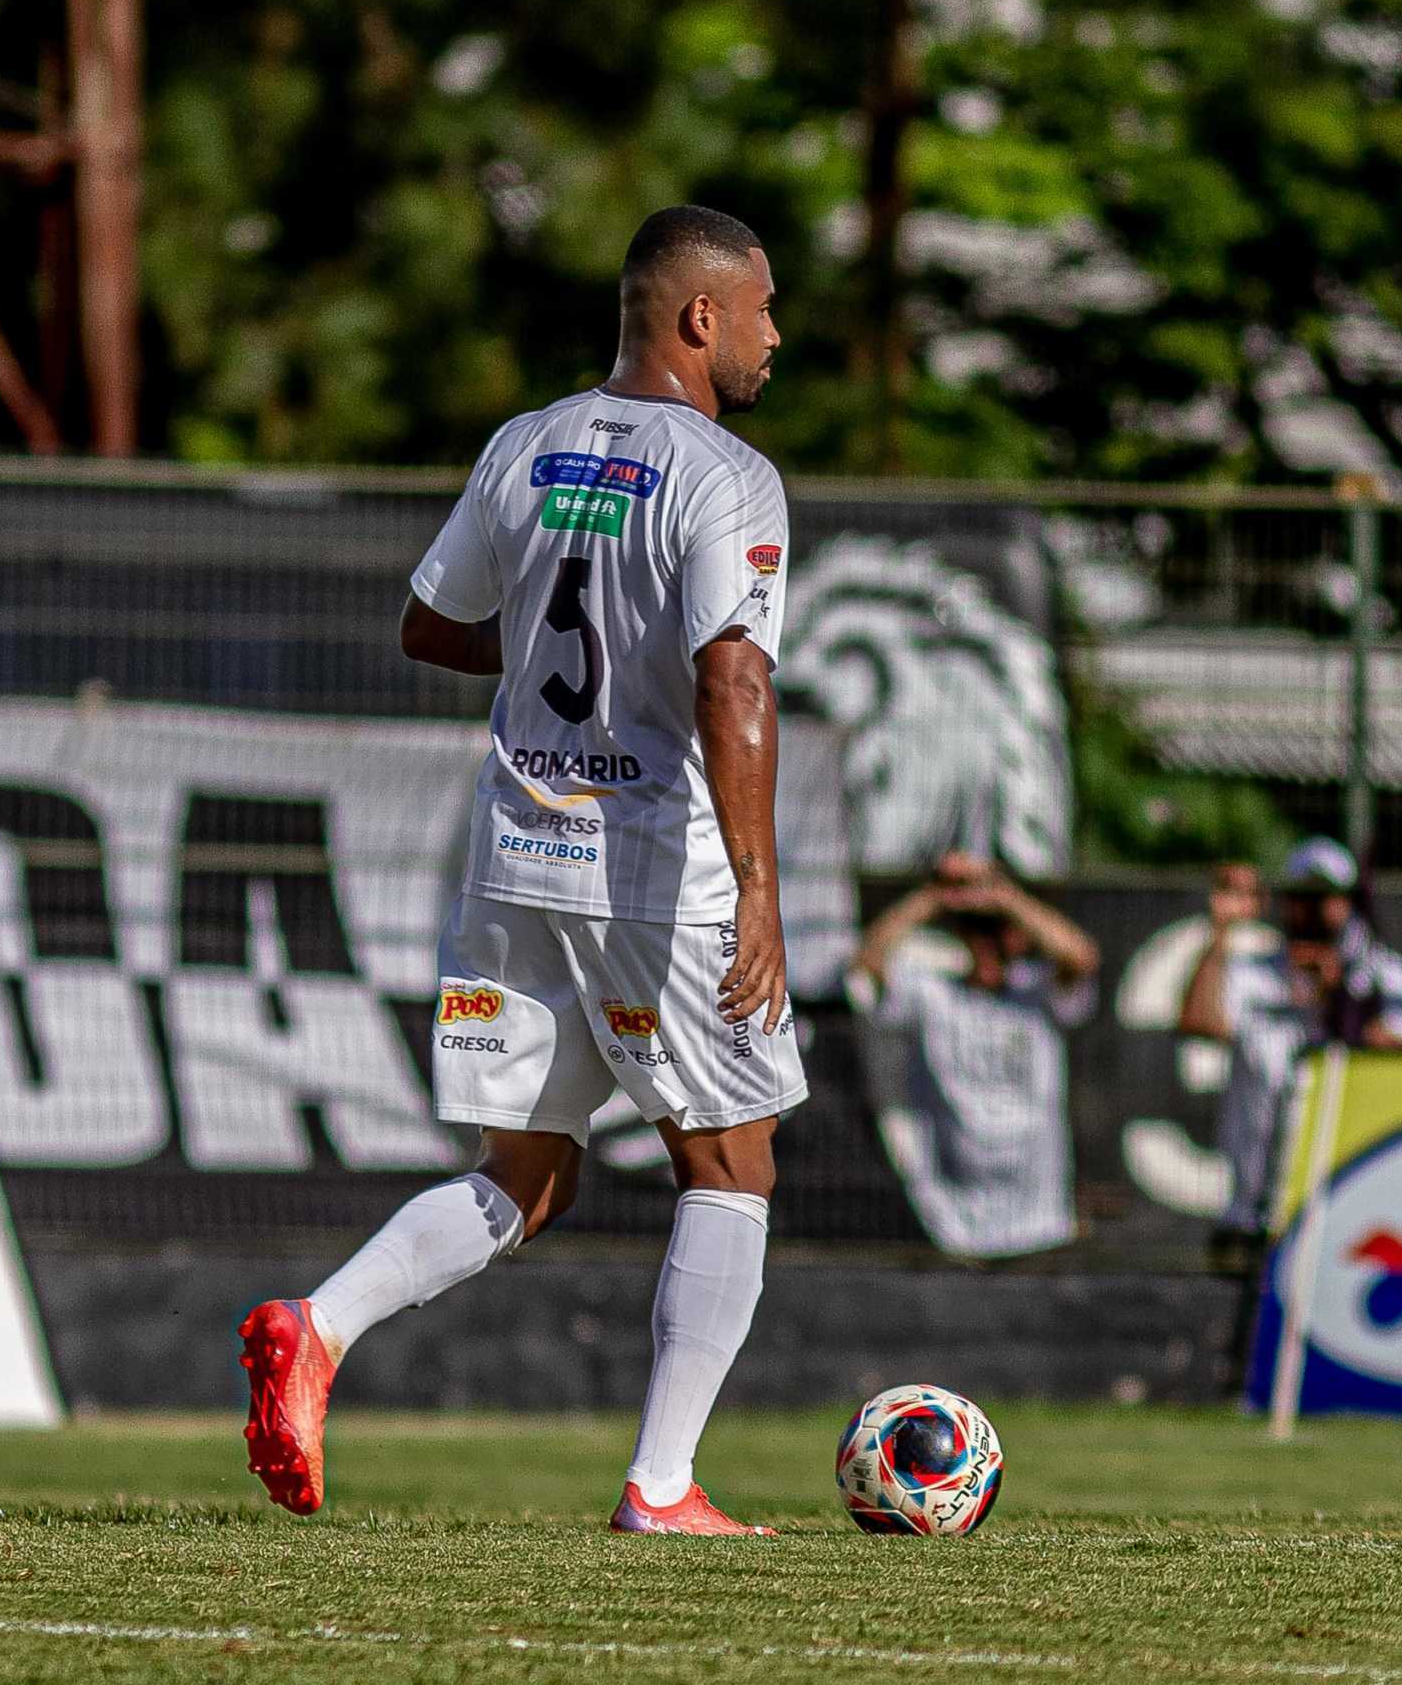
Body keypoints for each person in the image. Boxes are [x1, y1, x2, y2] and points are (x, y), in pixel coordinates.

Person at [236, 204, 799, 1537]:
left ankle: (319, 1325)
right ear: (701, 316)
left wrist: (571, 638)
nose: (775, 336)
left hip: (516, 852)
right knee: (732, 1161)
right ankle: (661, 1484)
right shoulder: (729, 473)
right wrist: (760, 888)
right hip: (654, 872)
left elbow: (432, 624)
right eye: (763, 309)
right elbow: (734, 683)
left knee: (529, 1174)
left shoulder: (524, 443)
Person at [1177, 838, 1402, 1268]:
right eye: (1300, 899)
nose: (1309, 914)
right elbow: (1198, 1023)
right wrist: (1220, 931)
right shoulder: (1255, 973)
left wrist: (1337, 1001)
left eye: (1323, 900)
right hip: (1253, 1216)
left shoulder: (1387, 978)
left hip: (1348, 1215)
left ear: (1350, 904)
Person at [846, 851, 1100, 1258]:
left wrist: (1004, 897)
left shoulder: (1038, 994)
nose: (988, 945)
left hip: (1038, 1221)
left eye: (997, 932)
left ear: (1018, 936)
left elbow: (1081, 956)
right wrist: (936, 896)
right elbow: (866, 965)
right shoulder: (934, 995)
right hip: (952, 1222)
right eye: (976, 931)